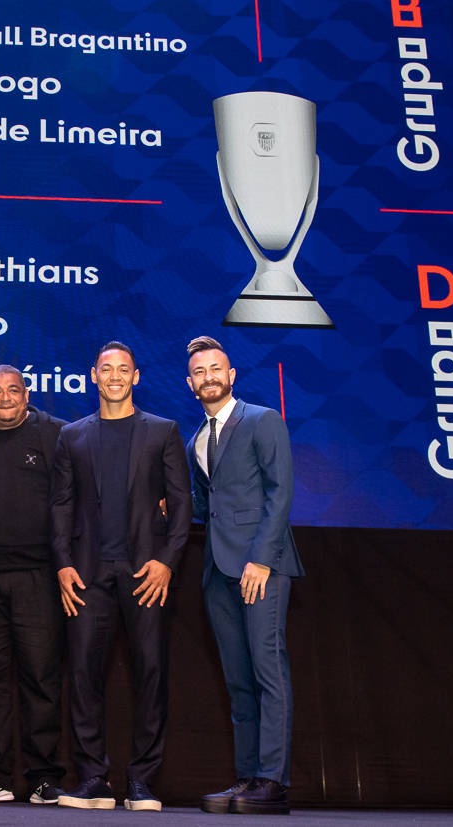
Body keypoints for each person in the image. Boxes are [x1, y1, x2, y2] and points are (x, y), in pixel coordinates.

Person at [52, 341, 191, 812]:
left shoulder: (163, 431)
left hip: (145, 574)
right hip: (87, 575)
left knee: (151, 674)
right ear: (93, 375)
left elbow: (183, 505)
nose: (114, 376)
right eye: (106, 368)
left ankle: (142, 783)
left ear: (136, 376)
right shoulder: (71, 436)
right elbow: (61, 505)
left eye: (123, 369)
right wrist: (63, 563)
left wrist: (167, 561)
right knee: (84, 677)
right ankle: (93, 780)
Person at [185, 336, 305, 816]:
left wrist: (261, 558)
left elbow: (281, 492)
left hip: (261, 567)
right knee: (237, 680)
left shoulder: (261, 420)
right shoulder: (196, 438)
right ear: (191, 383)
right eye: (200, 371)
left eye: (216, 368)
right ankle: (248, 778)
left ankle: (273, 781)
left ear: (230, 375)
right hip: (217, 570)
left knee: (267, 669)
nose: (209, 376)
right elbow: (206, 506)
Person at [0, 365, 67, 805]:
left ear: (27, 395)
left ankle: (43, 776)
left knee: (41, 678)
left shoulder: (57, 435)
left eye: (13, 391)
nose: (5, 399)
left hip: (38, 576)